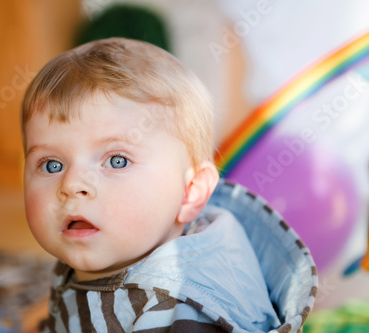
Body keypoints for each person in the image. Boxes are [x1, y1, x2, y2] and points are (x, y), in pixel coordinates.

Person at [21, 37, 317, 332]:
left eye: (117, 161)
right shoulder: (114, 242)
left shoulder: (177, 314)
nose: (72, 185)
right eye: (52, 165)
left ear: (189, 193)